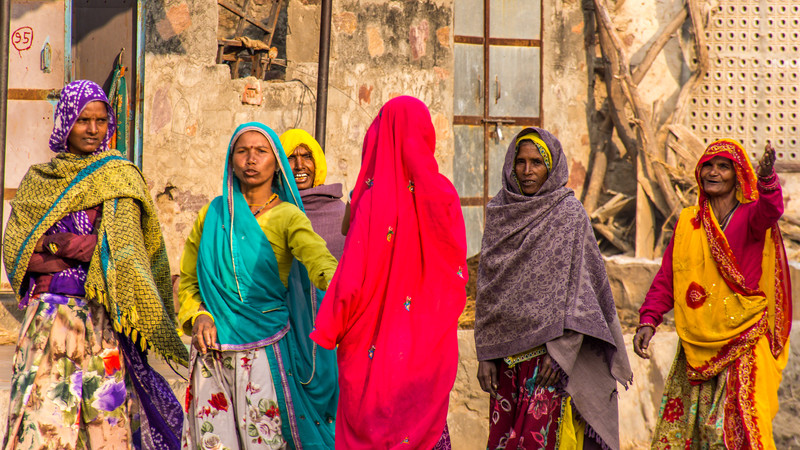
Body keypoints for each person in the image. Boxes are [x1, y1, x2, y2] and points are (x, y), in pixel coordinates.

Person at [2, 79, 188, 449]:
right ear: (65, 122)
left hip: (102, 322)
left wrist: (58, 244)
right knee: (43, 427)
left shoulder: (119, 177)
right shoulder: (40, 180)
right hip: (49, 323)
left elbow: (122, 251)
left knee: (105, 430)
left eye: (100, 121)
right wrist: (80, 248)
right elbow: (21, 252)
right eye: (83, 120)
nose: (92, 129)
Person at [310, 96, 467, 449]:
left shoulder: (371, 199)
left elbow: (351, 278)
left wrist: (329, 327)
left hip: (373, 343)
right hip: (429, 340)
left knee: (377, 427)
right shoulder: (444, 195)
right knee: (421, 424)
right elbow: (457, 270)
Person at [178, 122, 339, 449]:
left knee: (263, 440)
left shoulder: (288, 216)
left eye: (261, 151)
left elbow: (319, 261)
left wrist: (346, 290)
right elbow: (189, 278)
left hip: (265, 350)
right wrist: (199, 315)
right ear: (231, 160)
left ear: (275, 162)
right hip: (212, 350)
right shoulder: (212, 214)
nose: (251, 159)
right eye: (242, 151)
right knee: (214, 442)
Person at [475, 128, 633, 450]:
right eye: (520, 162)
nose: (527, 170)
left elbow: (582, 293)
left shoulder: (568, 215)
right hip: (505, 364)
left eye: (537, 162)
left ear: (552, 166)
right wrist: (486, 354)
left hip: (549, 363)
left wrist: (562, 353)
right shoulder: (500, 213)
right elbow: (488, 291)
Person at [634, 140, 792, 450]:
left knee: (738, 430)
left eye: (723, 167)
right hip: (697, 344)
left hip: (744, 338)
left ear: (738, 175)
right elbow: (669, 277)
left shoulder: (751, 216)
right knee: (694, 433)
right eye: (708, 165)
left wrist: (767, 178)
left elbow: (772, 210)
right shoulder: (688, 223)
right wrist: (649, 319)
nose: (713, 172)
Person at [280, 129, 346, 259]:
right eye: (290, 158)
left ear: (317, 163)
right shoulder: (270, 208)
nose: (299, 165)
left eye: (307, 157)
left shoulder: (339, 213)